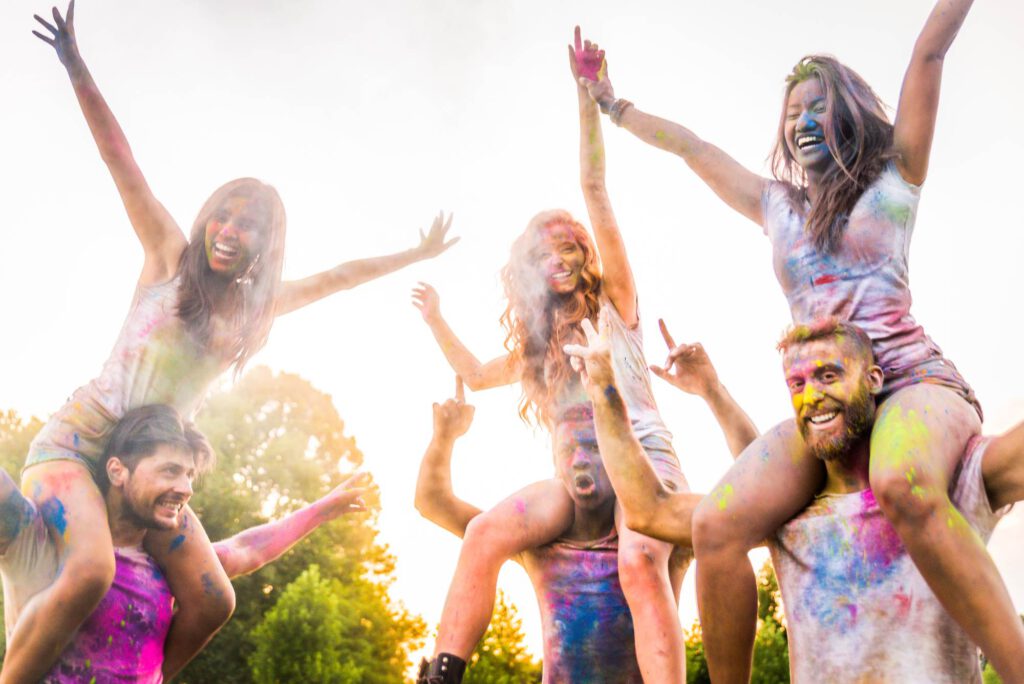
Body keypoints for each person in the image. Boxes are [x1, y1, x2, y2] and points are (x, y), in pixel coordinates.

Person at [573, 4, 1024, 680]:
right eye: (791, 113)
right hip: (825, 401)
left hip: (909, 382)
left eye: (817, 107)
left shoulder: (896, 175)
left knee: (903, 483)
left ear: (847, 115)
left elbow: (928, 53)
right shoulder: (773, 204)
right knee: (716, 528)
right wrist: (612, 103)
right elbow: (693, 147)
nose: (802, 121)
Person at [13, 4, 456, 682]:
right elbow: (119, 159)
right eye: (223, 213)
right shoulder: (166, 256)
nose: (228, 229)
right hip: (80, 444)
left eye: (247, 225)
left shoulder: (258, 308)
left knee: (215, 595)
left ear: (263, 244)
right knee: (92, 571)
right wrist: (76, 65)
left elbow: (339, 278)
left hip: (153, 463)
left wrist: (414, 252)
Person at [412, 29, 688, 682]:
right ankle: (443, 670)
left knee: (640, 562)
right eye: (546, 253)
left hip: (639, 460)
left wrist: (587, 97)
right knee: (486, 533)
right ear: (529, 268)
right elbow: (478, 376)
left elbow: (593, 188)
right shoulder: (540, 350)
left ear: (586, 256)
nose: (560, 260)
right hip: (574, 483)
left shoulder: (617, 312)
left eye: (570, 248)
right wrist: (435, 318)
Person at [566, 314, 1023, 682]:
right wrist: (605, 390)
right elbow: (650, 510)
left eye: (828, 375)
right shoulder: (793, 514)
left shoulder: (940, 488)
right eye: (798, 385)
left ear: (875, 379)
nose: (813, 397)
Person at [0, 404, 368, 683]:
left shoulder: (167, 569)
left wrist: (321, 511)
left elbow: (246, 550)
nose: (185, 488)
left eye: (190, 475)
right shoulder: (44, 539)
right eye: (170, 471)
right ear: (118, 471)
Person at [415, 378, 704, 683]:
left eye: (594, 447)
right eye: (568, 449)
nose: (580, 460)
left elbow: (734, 514)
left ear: (619, 454)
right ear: (556, 462)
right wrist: (443, 438)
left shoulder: (657, 540)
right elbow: (432, 503)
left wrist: (713, 393)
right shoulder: (540, 544)